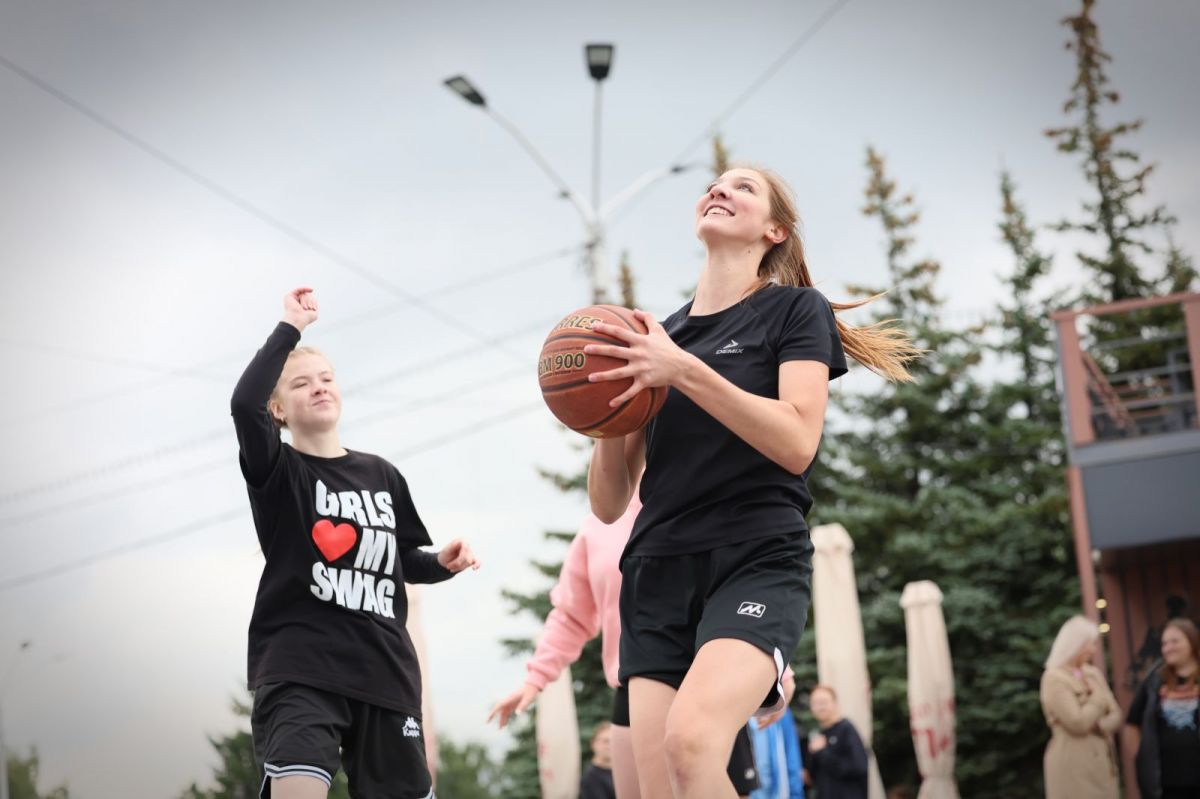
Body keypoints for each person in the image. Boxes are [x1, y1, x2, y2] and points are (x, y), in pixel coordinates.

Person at [585, 165, 917, 798]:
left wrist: (682, 371)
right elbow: (607, 504)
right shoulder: (657, 340)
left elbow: (796, 443)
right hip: (656, 569)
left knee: (690, 742)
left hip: (754, 556)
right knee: (658, 791)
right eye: (715, 184)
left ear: (775, 230)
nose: (719, 190)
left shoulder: (794, 311)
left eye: (743, 187)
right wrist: (603, 411)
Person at [231, 287, 479, 799]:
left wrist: (440, 563)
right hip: (302, 671)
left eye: (326, 378)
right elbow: (242, 403)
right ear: (277, 408)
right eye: (301, 383)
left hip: (385, 673)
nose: (319, 388)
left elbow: (399, 560)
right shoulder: (279, 472)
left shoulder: (381, 474)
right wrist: (291, 327)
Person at [485, 494, 772, 798]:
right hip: (634, 684)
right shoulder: (597, 529)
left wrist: (775, 664)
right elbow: (571, 614)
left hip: (710, 682)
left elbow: (742, 591)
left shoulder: (701, 505)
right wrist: (536, 677)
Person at [1039, 615, 1121, 799]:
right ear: (1074, 644)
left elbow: (1116, 714)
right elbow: (1077, 723)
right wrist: (1098, 698)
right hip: (1072, 764)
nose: (1093, 650)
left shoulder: (1093, 674)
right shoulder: (1053, 678)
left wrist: (1099, 725)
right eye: (1089, 644)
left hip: (1103, 763)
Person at [1126, 617, 1200, 799]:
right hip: (1164, 784)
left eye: (1175, 641)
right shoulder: (1154, 680)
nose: (1168, 648)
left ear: (1192, 642)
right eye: (1164, 643)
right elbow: (1132, 723)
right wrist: (1141, 758)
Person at [806, 685, 868, 799]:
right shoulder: (819, 735)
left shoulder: (846, 729)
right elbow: (813, 777)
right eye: (815, 703)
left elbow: (860, 766)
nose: (820, 707)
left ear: (835, 703)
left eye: (824, 702)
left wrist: (822, 752)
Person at [748, 702, 804, 799]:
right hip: (745, 790)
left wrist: (795, 795)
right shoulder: (736, 710)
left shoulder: (780, 710)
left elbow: (792, 757)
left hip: (776, 792)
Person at [581, 721, 618, 799]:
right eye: (605, 741)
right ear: (593, 744)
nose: (609, 745)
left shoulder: (619, 772)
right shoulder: (591, 777)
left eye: (613, 741)